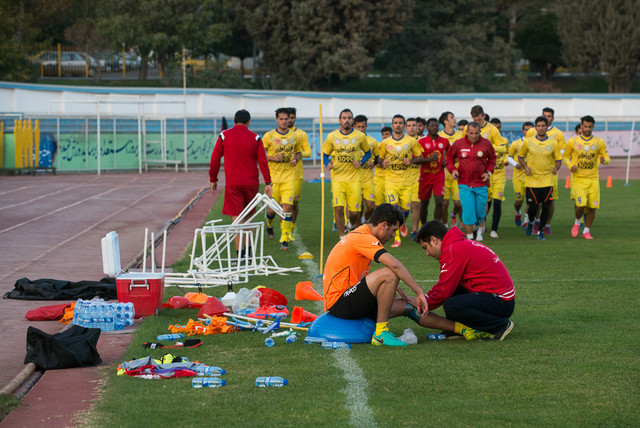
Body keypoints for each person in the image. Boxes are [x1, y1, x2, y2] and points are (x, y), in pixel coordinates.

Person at [323, 203, 429, 347]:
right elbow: (395, 265)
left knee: (409, 305)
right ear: (383, 225)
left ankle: (459, 328)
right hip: (340, 304)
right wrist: (419, 292)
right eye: (393, 231)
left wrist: (390, 286)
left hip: (349, 298)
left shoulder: (362, 233)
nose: (393, 235)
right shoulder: (363, 237)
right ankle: (380, 333)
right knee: (390, 273)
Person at [414, 220, 515, 341]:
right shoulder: (455, 244)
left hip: (501, 301)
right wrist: (426, 297)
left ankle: (500, 326)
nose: (427, 253)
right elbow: (446, 284)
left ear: (434, 240)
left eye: (426, 247)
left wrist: (425, 303)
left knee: (452, 306)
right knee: (454, 288)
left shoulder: (452, 250)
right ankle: (459, 328)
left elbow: (443, 290)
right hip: (499, 297)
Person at [209, 109, 273, 257]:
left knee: (237, 219)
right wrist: (268, 182)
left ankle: (240, 255)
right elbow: (263, 161)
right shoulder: (256, 138)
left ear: (234, 121)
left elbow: (215, 159)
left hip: (233, 183)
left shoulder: (224, 136)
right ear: (248, 122)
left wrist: (213, 179)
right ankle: (250, 253)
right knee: (249, 216)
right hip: (251, 183)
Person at [323, 109, 371, 240]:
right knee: (338, 208)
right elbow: (325, 154)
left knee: (355, 212)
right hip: (338, 178)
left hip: (355, 179)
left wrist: (361, 162)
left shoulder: (360, 136)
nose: (346, 120)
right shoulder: (332, 136)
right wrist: (327, 163)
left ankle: (350, 223)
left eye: (349, 118)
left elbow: (368, 153)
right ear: (339, 120)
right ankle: (342, 237)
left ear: (352, 121)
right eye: (344, 118)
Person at [378, 114, 424, 247]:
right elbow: (380, 159)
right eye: (395, 123)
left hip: (407, 181)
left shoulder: (411, 141)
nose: (398, 125)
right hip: (391, 181)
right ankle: (396, 238)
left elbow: (419, 157)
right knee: (393, 208)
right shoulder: (385, 143)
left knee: (405, 211)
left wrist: (410, 161)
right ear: (392, 125)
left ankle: (402, 223)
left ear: (403, 126)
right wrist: (383, 163)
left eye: (400, 123)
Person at [446, 122, 496, 241]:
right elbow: (449, 158)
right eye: (471, 133)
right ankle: (470, 239)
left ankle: (478, 228)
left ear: (480, 132)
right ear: (467, 132)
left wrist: (488, 172)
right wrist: (453, 170)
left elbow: (493, 159)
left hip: (481, 183)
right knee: (468, 212)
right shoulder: (459, 143)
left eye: (476, 133)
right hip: (464, 183)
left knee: (480, 213)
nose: (473, 136)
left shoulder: (486, 143)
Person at [564, 115, 610, 239]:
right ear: (581, 126)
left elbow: (607, 158)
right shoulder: (573, 142)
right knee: (580, 205)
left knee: (592, 206)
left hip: (593, 178)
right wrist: (570, 166)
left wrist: (604, 160)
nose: (587, 129)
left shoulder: (599, 142)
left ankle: (586, 231)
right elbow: (565, 156)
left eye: (590, 127)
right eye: (585, 126)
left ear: (593, 127)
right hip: (578, 178)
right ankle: (577, 222)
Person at [262, 107, 302, 250]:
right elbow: (260, 155)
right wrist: (274, 158)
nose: (285, 121)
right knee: (273, 210)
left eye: (287, 119)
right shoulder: (269, 136)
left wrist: (296, 160)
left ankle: (284, 237)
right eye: (282, 119)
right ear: (277, 120)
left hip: (289, 177)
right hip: (273, 178)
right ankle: (270, 224)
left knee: (287, 207)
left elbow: (299, 153)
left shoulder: (294, 136)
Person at [518, 116, 562, 241]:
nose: (541, 128)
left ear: (547, 127)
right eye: (539, 126)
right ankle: (531, 221)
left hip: (547, 179)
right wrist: (525, 167)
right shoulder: (528, 141)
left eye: (543, 126)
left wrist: (556, 168)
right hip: (532, 180)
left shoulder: (553, 142)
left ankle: (540, 231)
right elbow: (521, 156)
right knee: (533, 206)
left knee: (546, 207)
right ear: (535, 127)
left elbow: (559, 160)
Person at [525, 107, 566, 235]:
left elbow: (562, 150)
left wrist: (555, 163)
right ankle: (535, 221)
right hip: (534, 173)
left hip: (550, 172)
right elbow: (527, 149)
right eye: (544, 115)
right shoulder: (532, 132)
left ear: (552, 118)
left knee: (549, 202)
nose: (546, 118)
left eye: (549, 116)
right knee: (534, 202)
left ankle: (546, 225)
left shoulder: (558, 134)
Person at [417, 118, 449, 231]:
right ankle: (424, 226)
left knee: (440, 201)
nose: (434, 128)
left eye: (436, 126)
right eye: (432, 126)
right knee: (424, 204)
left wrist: (446, 162)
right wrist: (429, 159)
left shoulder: (444, 141)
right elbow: (417, 160)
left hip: (439, 176)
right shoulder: (421, 142)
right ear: (427, 127)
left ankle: (436, 227)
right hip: (425, 176)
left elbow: (450, 154)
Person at [287, 107, 312, 241]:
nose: (289, 120)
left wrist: (298, 155)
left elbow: (308, 152)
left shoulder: (301, 134)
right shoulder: (275, 135)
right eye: (287, 117)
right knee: (284, 205)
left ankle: (291, 229)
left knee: (294, 205)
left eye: (292, 117)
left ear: (295, 118)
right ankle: (283, 231)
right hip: (281, 175)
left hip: (296, 175)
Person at [438, 111, 463, 227]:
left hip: (458, 173)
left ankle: (453, 214)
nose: (455, 119)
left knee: (459, 203)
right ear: (445, 122)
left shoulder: (461, 135)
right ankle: (444, 225)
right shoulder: (439, 136)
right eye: (452, 117)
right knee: (444, 203)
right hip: (443, 175)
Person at [508, 121, 534, 227]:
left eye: (531, 129)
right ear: (523, 131)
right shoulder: (516, 144)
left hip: (531, 177)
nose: (528, 132)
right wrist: (515, 164)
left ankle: (526, 221)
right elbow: (508, 156)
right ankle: (517, 212)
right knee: (518, 201)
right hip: (518, 177)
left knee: (530, 201)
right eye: (526, 129)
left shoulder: (536, 143)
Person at [354, 114, 379, 222]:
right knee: (357, 207)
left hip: (368, 179)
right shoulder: (351, 141)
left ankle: (364, 220)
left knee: (371, 206)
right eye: (358, 127)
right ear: (354, 126)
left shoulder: (372, 141)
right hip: (354, 178)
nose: (361, 129)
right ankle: (356, 225)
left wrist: (373, 163)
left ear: (366, 126)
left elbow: (377, 157)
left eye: (363, 127)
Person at [487, 118, 509, 239]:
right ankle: (482, 225)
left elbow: (505, 153)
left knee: (497, 202)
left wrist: (505, 160)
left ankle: (494, 229)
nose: (497, 130)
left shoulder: (504, 141)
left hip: (500, 176)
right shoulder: (485, 141)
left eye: (499, 128)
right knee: (486, 203)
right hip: (487, 176)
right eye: (495, 128)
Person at [405, 117, 423, 241]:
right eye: (409, 125)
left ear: (418, 127)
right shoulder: (402, 142)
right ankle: (401, 222)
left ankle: (415, 230)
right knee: (404, 207)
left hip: (418, 176)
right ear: (406, 128)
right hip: (402, 178)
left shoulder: (423, 141)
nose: (411, 127)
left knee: (416, 204)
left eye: (414, 125)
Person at [374, 126, 392, 207]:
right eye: (383, 134)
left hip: (391, 179)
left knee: (391, 205)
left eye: (387, 134)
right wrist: (382, 163)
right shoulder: (377, 146)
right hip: (379, 180)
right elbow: (374, 162)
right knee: (377, 205)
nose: (385, 136)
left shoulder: (395, 147)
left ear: (391, 135)